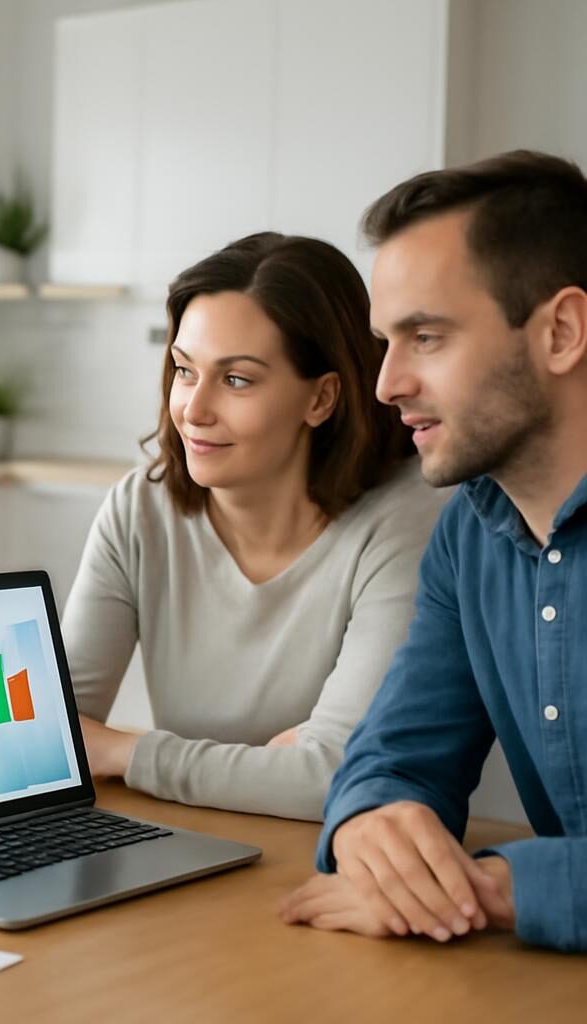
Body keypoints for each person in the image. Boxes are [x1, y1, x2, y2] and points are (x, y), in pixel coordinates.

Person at [279, 150, 587, 953]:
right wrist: (375, 829)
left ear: (561, 332)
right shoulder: (469, 532)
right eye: (388, 340)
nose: (385, 384)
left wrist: (496, 889)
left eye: (426, 337)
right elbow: (397, 754)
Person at [62, 232, 447, 820]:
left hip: (337, 857)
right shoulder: (141, 509)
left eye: (236, 379)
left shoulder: (405, 520)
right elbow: (55, 739)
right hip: (192, 839)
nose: (194, 408)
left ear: (321, 398)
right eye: (185, 370)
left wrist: (125, 750)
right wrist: (270, 770)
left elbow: (335, 776)